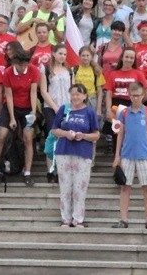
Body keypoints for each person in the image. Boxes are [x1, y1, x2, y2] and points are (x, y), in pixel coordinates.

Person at [111, 82, 147, 229]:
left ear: (143, 95)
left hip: (144, 155)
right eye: (132, 96)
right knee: (125, 187)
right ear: (129, 95)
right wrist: (117, 156)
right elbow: (120, 135)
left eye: (138, 95)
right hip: (127, 154)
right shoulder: (124, 113)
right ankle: (124, 219)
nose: (135, 98)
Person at [52, 84, 100, 228]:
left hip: (83, 153)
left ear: (85, 96)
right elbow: (54, 130)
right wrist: (66, 134)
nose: (75, 97)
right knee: (65, 187)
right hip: (64, 151)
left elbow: (96, 134)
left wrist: (84, 136)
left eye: (78, 94)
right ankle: (65, 218)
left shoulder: (89, 112)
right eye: (73, 94)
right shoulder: (64, 109)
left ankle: (78, 218)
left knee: (80, 187)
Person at [0, 52, 40, 186]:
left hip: (27, 107)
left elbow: (33, 92)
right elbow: (8, 96)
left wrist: (33, 112)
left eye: (25, 65)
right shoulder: (8, 72)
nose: (22, 68)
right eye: (20, 65)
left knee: (28, 137)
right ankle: (0, 169)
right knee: (2, 135)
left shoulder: (33, 71)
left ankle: (27, 171)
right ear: (15, 63)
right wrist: (12, 118)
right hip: (11, 106)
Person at [40, 44, 72, 179]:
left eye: (65, 54)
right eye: (60, 53)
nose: (62, 56)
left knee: (64, 137)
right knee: (52, 137)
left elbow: (73, 90)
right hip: (51, 107)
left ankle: (61, 170)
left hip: (67, 107)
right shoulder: (46, 69)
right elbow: (43, 90)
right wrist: (54, 106)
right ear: (53, 53)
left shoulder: (69, 70)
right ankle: (50, 169)